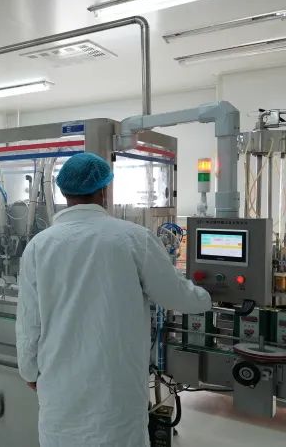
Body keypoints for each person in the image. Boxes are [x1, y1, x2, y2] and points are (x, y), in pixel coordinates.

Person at [15, 152, 212, 447]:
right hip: (115, 390)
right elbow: (175, 295)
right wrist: (207, 297)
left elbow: (29, 321)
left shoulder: (38, 246)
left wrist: (28, 370)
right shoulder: (133, 238)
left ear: (63, 192)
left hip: (60, 387)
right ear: (104, 191)